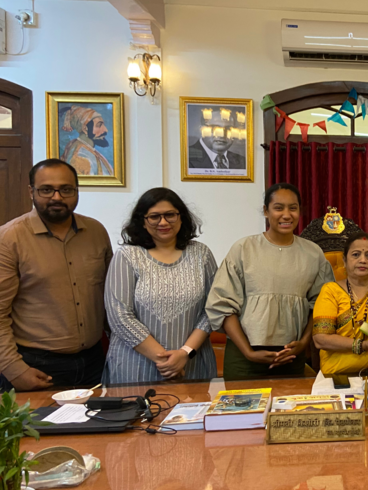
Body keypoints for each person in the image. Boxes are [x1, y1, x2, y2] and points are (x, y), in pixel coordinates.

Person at [0, 159, 112, 392]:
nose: (57, 197)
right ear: (31, 191)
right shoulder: (9, 239)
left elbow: (111, 298)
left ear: (77, 190)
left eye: (66, 189)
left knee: (101, 428)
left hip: (95, 362)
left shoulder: (96, 232)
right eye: (46, 189)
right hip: (35, 367)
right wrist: (14, 369)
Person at [205, 183, 334, 378]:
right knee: (241, 408)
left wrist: (303, 344)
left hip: (291, 355)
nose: (286, 215)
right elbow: (222, 305)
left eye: (293, 208)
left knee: (291, 407)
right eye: (278, 207)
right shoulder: (244, 248)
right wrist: (248, 352)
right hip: (244, 357)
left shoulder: (312, 253)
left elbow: (320, 306)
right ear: (266, 211)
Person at [103, 188, 218, 383]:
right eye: (154, 216)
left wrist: (184, 354)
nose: (163, 222)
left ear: (181, 217)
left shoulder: (202, 254)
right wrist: (167, 362)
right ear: (143, 221)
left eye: (170, 215)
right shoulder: (127, 256)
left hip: (192, 363)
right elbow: (119, 317)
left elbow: (212, 308)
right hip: (135, 367)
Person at [313, 232, 368, 375]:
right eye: (356, 255)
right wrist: (364, 345)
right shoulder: (330, 291)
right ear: (344, 260)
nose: (363, 260)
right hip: (337, 375)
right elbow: (321, 339)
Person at [60, 105, 113, 176]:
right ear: (85, 129)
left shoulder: (84, 148)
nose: (105, 130)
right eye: (99, 125)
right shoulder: (81, 157)